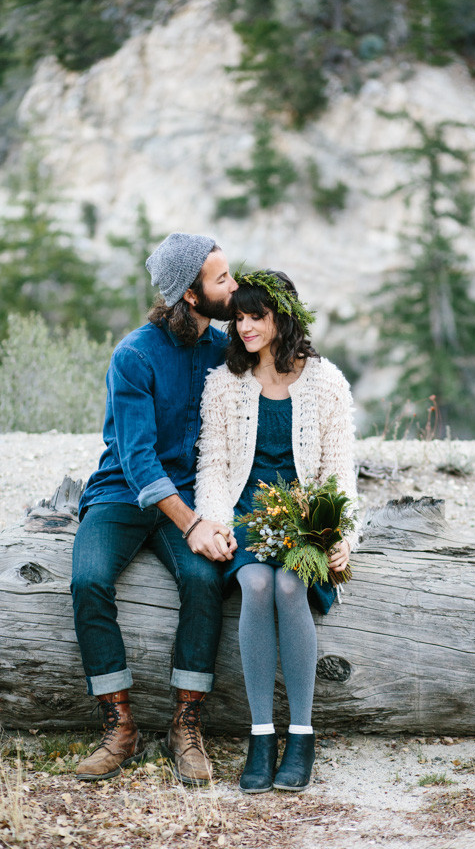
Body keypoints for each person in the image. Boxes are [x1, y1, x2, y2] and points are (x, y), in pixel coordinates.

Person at [70, 233, 238, 785]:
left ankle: (184, 726)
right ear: (190, 294)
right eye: (221, 279)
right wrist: (192, 525)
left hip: (189, 491)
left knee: (204, 579)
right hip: (123, 491)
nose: (232, 287)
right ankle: (119, 726)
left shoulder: (221, 349)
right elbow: (138, 459)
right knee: (88, 580)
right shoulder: (134, 354)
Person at [194, 270, 359, 793]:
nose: (244, 326)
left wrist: (339, 535)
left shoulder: (327, 381)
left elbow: (339, 471)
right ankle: (261, 734)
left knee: (290, 585)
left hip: (303, 513)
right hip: (245, 510)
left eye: (256, 316)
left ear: (282, 316)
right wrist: (216, 522)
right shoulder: (223, 383)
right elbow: (214, 467)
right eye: (238, 316)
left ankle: (303, 734)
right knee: (258, 584)